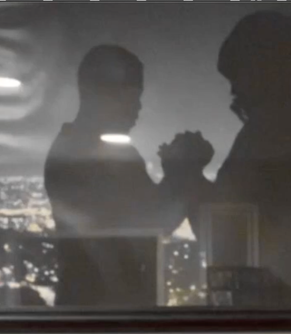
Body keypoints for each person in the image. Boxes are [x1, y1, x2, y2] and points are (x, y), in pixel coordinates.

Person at [158, 11, 291, 302]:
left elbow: (233, 238)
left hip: (265, 297)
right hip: (279, 292)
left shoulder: (272, 135)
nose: (234, 89)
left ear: (266, 72)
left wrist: (187, 173)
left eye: (238, 76)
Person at [44, 45, 191, 307]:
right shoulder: (86, 155)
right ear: (98, 95)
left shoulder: (80, 150)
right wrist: (181, 173)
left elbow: (146, 220)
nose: (137, 108)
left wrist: (176, 174)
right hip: (105, 308)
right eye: (130, 97)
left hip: (96, 307)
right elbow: (152, 224)